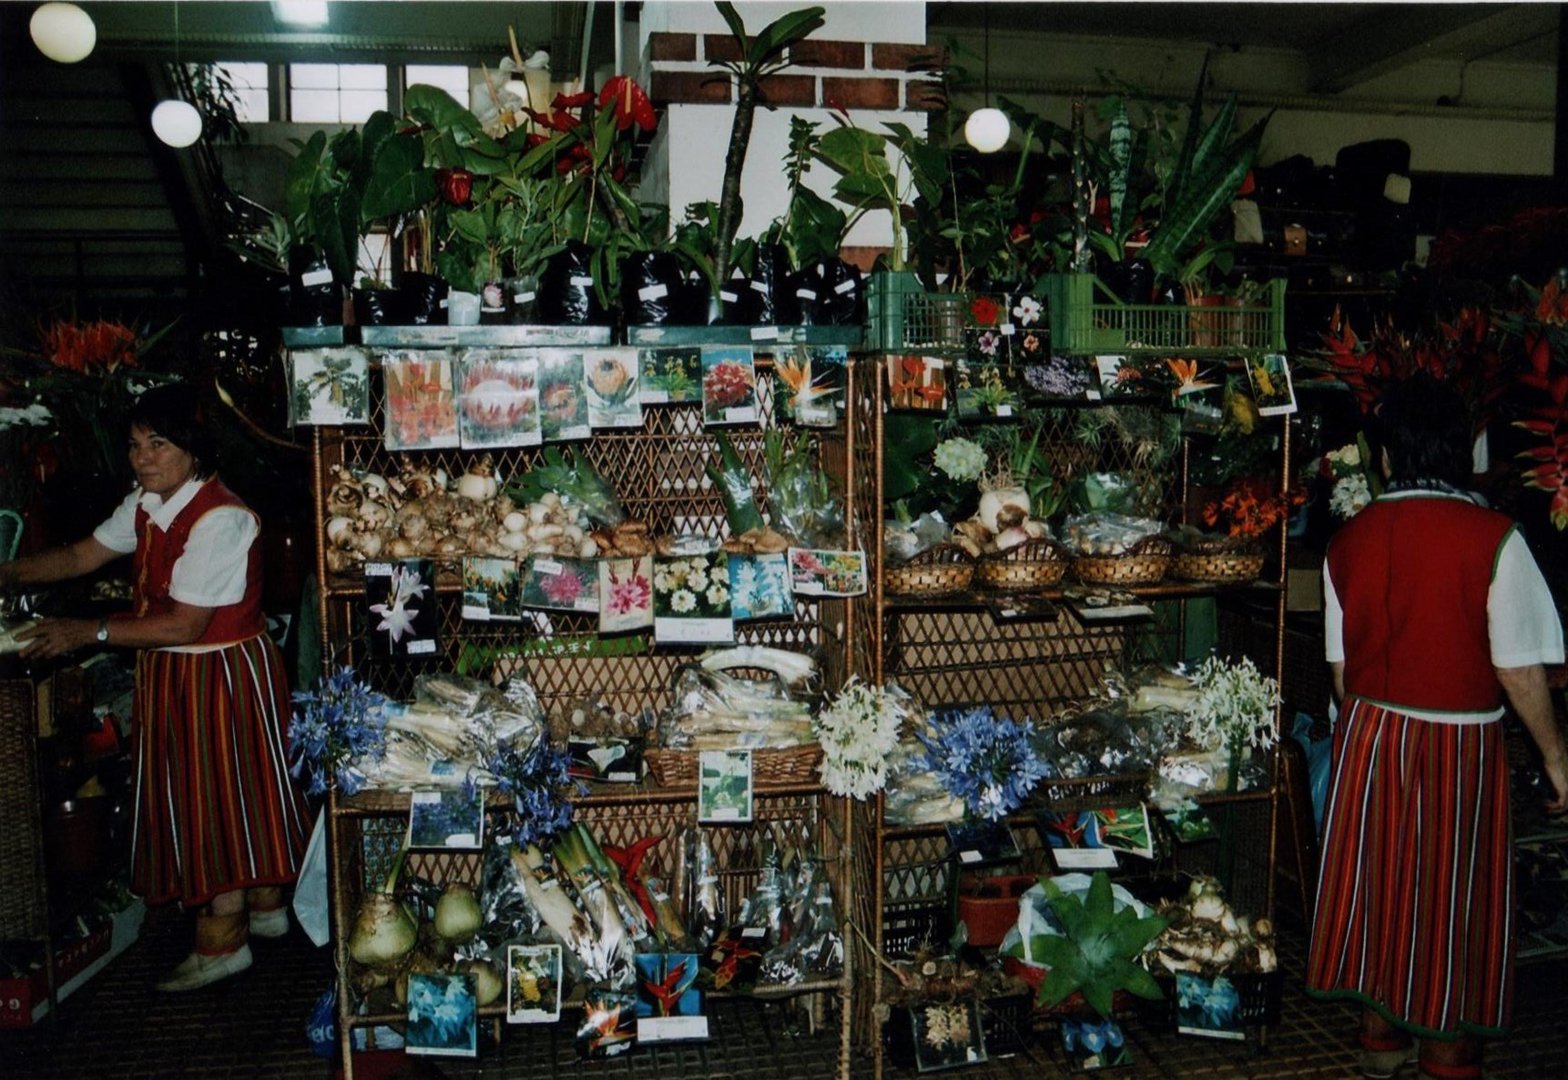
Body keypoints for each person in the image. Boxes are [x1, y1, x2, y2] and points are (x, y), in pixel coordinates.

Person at [1, 383, 310, 991]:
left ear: (192, 451)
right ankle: (266, 908)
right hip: (179, 669)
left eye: (159, 444)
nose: (143, 458)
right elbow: (82, 555)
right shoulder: (147, 503)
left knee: (215, 798)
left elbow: (184, 622)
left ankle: (224, 945)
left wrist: (84, 631)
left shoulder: (220, 518)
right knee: (239, 792)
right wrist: (6, 573)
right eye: (136, 445)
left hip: (220, 673)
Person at [1307, 373, 1568, 1080]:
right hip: (1455, 744)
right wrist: (1556, 757)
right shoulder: (1493, 539)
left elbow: (1340, 669)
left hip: (1368, 739)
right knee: (1451, 901)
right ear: (1459, 451)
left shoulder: (1348, 541)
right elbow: (1520, 670)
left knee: (1381, 889)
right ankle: (1447, 1056)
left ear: (1388, 457)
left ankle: (1380, 1045)